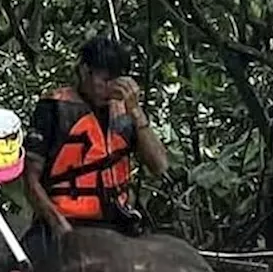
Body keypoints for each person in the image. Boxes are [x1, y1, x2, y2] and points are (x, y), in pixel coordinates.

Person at [20, 36, 169, 259]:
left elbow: (159, 166)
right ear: (83, 71)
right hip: (65, 220)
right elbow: (30, 179)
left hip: (118, 222)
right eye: (104, 80)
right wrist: (57, 223)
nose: (108, 88)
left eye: (115, 81)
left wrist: (136, 111)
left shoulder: (125, 112)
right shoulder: (53, 109)